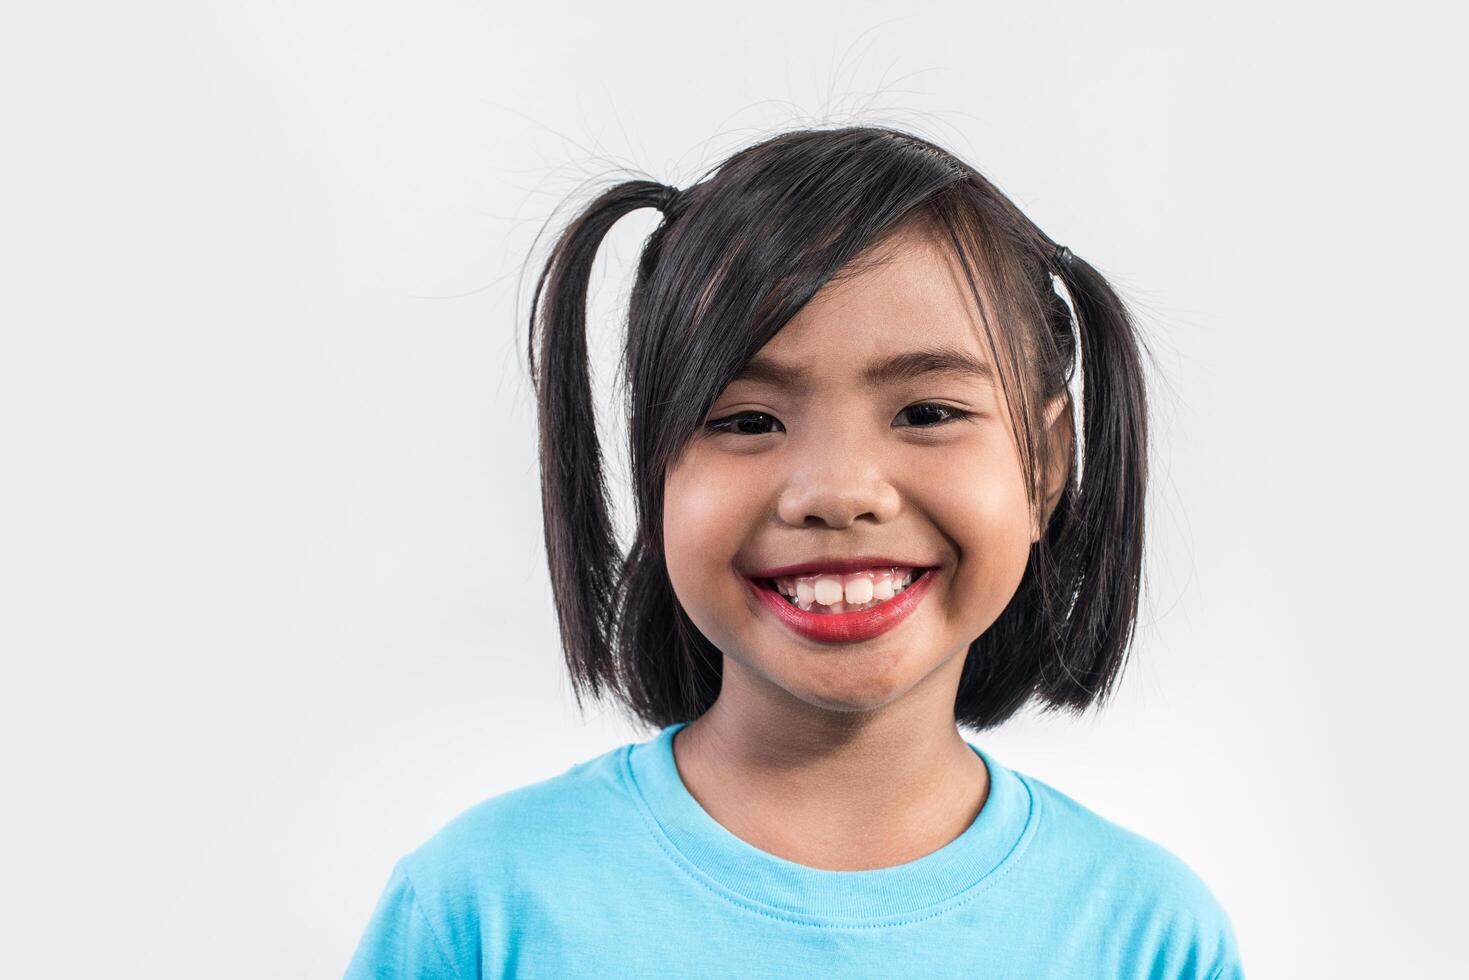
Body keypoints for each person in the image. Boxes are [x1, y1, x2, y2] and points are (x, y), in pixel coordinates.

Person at [343, 125, 1244, 978]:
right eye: (746, 421)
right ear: (655, 471)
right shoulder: (482, 908)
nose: (837, 492)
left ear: (1045, 465)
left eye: (926, 413)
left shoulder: (1144, 934)